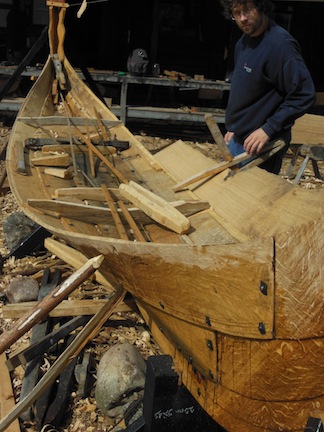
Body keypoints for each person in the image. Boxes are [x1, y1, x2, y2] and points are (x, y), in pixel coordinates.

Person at [220, 0, 316, 174]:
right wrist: (235, 126)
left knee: (253, 199)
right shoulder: (243, 42)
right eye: (236, 13)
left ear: (261, 7)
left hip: (261, 144)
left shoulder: (281, 46)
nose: (242, 18)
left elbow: (304, 94)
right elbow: (247, 89)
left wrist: (268, 128)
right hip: (237, 139)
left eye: (248, 10)